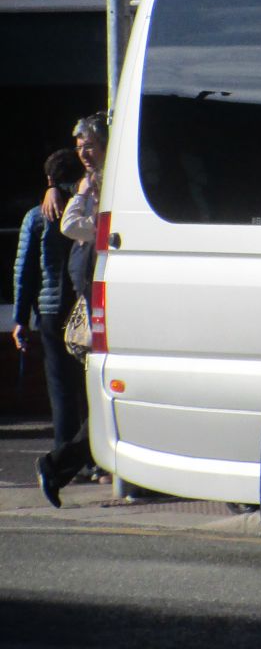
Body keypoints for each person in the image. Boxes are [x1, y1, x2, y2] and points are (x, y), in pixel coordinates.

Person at [36, 112, 109, 507]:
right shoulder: (88, 184)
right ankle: (59, 465)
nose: (84, 153)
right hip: (101, 304)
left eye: (90, 147)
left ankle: (63, 465)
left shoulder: (110, 178)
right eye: (80, 147)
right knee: (103, 398)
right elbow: (70, 225)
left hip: (108, 296)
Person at [13, 149, 84, 460]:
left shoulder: (35, 217)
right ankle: (89, 457)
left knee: (60, 388)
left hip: (50, 310)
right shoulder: (84, 209)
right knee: (85, 386)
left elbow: (24, 271)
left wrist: (20, 319)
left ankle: (64, 452)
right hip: (82, 308)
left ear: (49, 179)